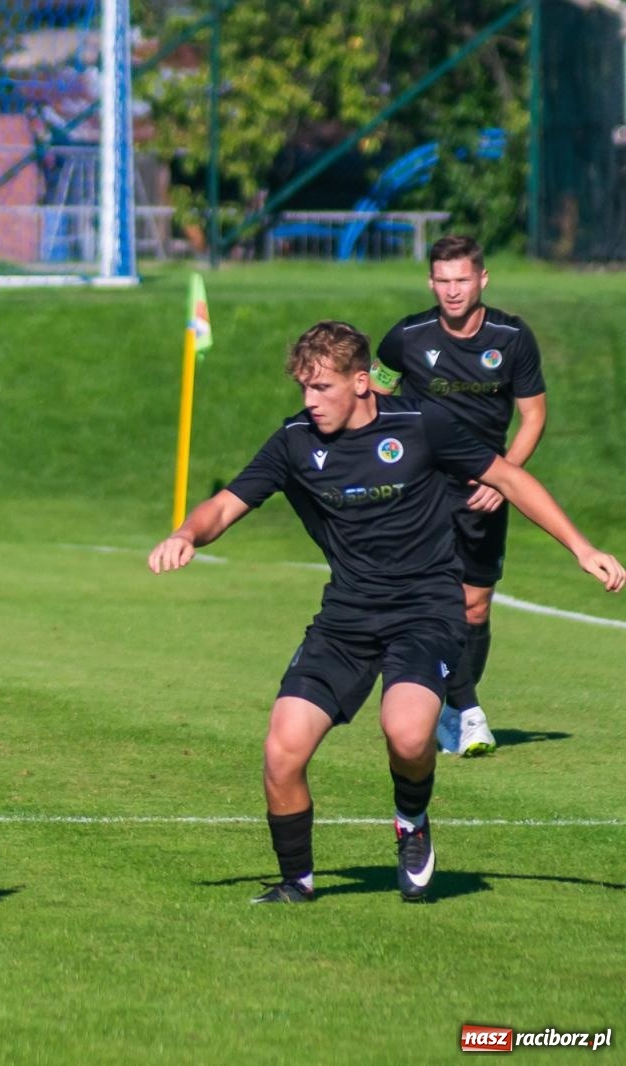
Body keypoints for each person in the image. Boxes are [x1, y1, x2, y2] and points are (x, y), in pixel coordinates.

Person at [149, 321, 621, 905]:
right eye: (303, 388)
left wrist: (583, 548)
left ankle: (411, 821)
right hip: (346, 617)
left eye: (322, 388)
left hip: (426, 610)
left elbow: (509, 478)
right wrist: (186, 534)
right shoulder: (295, 440)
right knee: (282, 749)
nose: (309, 401)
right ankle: (297, 880)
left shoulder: (421, 426)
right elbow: (225, 504)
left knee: (406, 732)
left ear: (362, 382)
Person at [370, 235, 547, 757]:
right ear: (431, 282)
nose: (452, 291)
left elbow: (533, 415)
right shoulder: (407, 336)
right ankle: (467, 713)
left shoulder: (511, 338)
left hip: (485, 488)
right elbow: (376, 392)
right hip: (422, 490)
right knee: (434, 600)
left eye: (462, 280)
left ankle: (453, 708)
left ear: (482, 279)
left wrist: (505, 477)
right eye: (443, 281)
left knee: (474, 607)